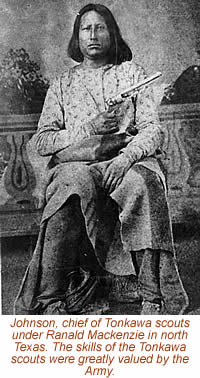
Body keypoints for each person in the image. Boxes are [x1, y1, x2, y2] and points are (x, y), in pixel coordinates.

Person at [14, 3, 188, 315]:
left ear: (113, 33)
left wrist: (126, 159)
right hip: (78, 162)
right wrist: (89, 128)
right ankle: (52, 299)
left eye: (101, 27)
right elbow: (42, 141)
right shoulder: (63, 84)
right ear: (77, 37)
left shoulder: (132, 75)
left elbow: (153, 131)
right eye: (86, 28)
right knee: (70, 183)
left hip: (126, 158)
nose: (93, 35)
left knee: (143, 182)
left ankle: (153, 297)